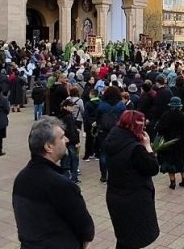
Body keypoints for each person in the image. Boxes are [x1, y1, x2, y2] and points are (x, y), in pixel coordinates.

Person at [13, 117, 95, 249]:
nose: (67, 140)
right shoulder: (61, 185)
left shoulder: (21, 178)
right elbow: (86, 229)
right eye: (62, 137)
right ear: (48, 146)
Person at [105, 110, 160, 248]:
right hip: (134, 200)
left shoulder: (113, 138)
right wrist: (148, 147)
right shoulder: (135, 149)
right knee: (134, 239)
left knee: (124, 238)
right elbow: (153, 168)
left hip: (115, 195)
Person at [156, 97, 184, 189]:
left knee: (170, 162)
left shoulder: (165, 115)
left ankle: (173, 182)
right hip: (180, 143)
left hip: (168, 142)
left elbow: (159, 128)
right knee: (182, 160)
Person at [59, 99, 81, 184]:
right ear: (65, 107)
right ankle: (73, 178)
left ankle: (66, 178)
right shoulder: (68, 117)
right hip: (71, 141)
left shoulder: (63, 116)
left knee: (65, 160)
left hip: (64, 141)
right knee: (74, 159)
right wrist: (76, 141)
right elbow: (71, 130)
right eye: (70, 106)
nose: (72, 107)